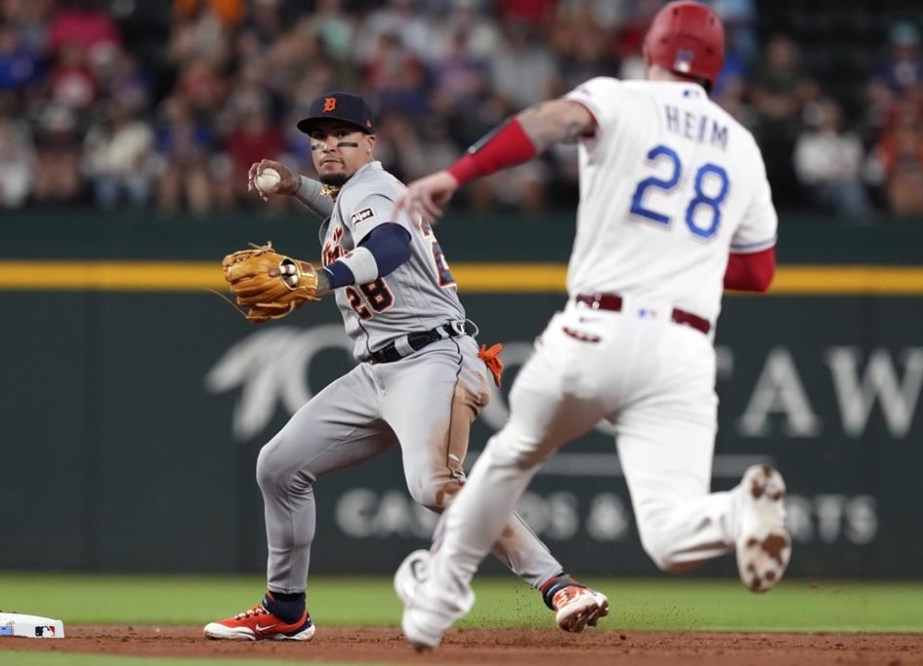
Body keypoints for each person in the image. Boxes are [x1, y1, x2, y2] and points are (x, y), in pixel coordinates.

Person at [391, 2, 790, 651]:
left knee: (512, 455)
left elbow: (548, 122)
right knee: (670, 534)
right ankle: (734, 511)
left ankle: (436, 597)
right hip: (683, 350)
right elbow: (759, 272)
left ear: (652, 52)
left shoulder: (618, 97)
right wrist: (680, 261)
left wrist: (456, 172)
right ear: (715, 69)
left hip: (597, 329)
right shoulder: (741, 146)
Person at [203, 91, 608, 642]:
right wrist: (298, 187)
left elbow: (389, 245)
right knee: (279, 465)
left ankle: (560, 585)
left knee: (433, 485)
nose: (327, 146)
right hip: (377, 372)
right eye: (318, 138)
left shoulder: (374, 186)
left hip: (432, 358)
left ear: (370, 142)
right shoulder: (355, 198)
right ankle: (286, 609)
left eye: (341, 136)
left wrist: (323, 279)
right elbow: (350, 218)